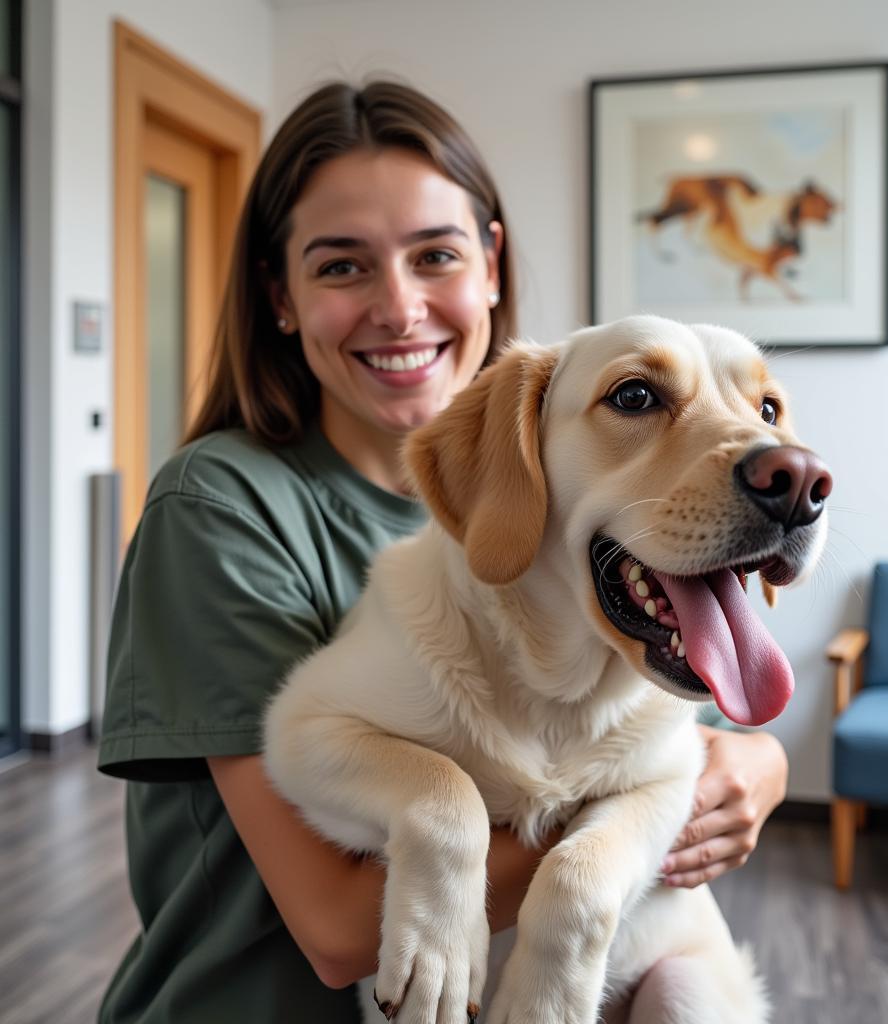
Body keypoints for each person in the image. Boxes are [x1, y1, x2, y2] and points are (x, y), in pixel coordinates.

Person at [97, 79, 789, 1022]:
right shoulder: (218, 505)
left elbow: (661, 739)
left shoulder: (568, 507)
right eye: (342, 266)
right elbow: (343, 932)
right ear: (281, 296)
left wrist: (749, 765)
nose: (400, 307)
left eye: (437, 255)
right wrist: (667, 803)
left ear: (492, 265)